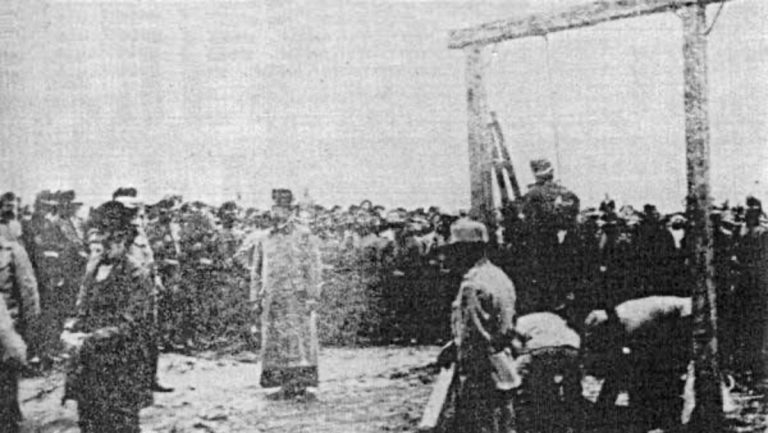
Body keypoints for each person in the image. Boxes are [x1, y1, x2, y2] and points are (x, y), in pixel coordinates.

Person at [62, 200, 155, 432]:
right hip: (90, 362)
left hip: (122, 363)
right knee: (89, 420)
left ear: (125, 240)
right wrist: (70, 328)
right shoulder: (93, 268)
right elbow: (81, 308)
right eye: (103, 239)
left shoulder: (136, 273)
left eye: (115, 240)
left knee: (120, 422)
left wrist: (91, 338)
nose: (107, 246)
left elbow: (132, 324)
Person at [241, 190, 323, 399]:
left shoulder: (304, 235)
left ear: (291, 210)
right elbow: (256, 270)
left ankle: (300, 384)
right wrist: (254, 297)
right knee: (275, 341)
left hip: (297, 297)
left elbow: (313, 267)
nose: (277, 212)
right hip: (272, 297)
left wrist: (313, 296)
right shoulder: (264, 237)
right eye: (275, 208)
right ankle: (281, 383)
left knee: (299, 341)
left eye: (282, 208)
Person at [446, 218, 518, 433]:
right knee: (505, 422)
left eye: (456, 249)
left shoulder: (473, 283)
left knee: (482, 424)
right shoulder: (499, 275)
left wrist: (464, 361)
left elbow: (473, 334)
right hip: (503, 360)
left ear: (468, 249)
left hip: (482, 367)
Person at [584, 296, 692, 432]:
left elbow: (629, 360)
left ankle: (668, 417)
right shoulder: (622, 315)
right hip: (673, 318)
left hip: (686, 314)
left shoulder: (631, 322)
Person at [0, 235, 40, 433]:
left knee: (5, 395)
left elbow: (29, 295)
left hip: (6, 336)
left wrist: (29, 337)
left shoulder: (12, 251)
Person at [732, 196, 768, 383]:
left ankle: (757, 368)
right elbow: (733, 251)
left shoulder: (763, 233)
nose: (749, 213)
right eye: (748, 210)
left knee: (757, 328)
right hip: (742, 284)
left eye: (753, 210)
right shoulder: (739, 230)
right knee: (741, 326)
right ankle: (743, 367)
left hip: (758, 284)